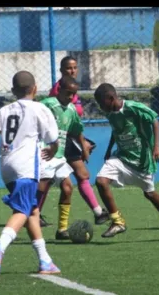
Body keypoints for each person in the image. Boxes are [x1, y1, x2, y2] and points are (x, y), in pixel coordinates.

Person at [0, 70, 61, 276]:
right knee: (22, 210)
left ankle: (45, 260)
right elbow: (53, 139)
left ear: (12, 91)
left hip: (7, 167)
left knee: (32, 210)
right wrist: (54, 150)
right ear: (35, 88)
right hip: (26, 166)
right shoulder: (40, 108)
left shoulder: (3, 111)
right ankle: (0, 246)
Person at [93, 83, 159, 241]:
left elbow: (154, 120)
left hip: (142, 161)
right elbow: (116, 131)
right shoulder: (110, 113)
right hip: (121, 157)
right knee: (101, 181)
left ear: (111, 98)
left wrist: (156, 146)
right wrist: (109, 149)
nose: (100, 107)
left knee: (150, 194)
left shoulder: (133, 108)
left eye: (101, 103)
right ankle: (117, 221)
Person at [37, 56, 108, 230]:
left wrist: (82, 141)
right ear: (61, 70)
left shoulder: (72, 89)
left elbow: (73, 121)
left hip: (67, 138)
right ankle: (34, 214)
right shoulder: (57, 93)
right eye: (69, 68)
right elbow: (54, 120)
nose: (73, 71)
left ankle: (95, 214)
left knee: (76, 178)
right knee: (57, 179)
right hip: (59, 140)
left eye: (75, 67)